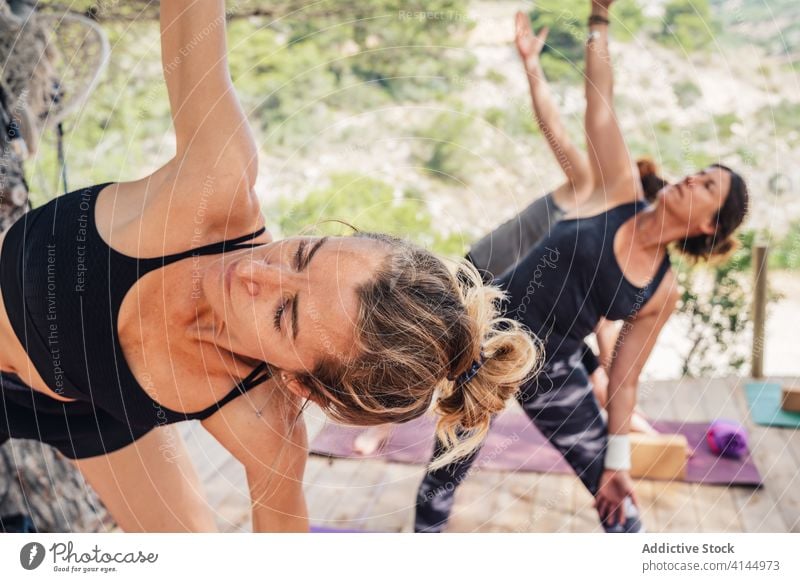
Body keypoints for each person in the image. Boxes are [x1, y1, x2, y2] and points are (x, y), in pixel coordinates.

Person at [0, 1, 539, 533]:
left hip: (92, 414)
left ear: (298, 384)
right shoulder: (215, 180)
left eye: (284, 313)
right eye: (303, 254)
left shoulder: (264, 423)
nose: (257, 273)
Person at [414, 0, 749, 533]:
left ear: (710, 225)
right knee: (445, 473)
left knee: (616, 501)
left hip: (552, 370)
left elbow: (623, 382)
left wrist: (616, 463)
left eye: (707, 186)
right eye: (698, 172)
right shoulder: (618, 191)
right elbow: (600, 102)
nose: (691, 179)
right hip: (488, 336)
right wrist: (598, 18)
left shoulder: (661, 292)